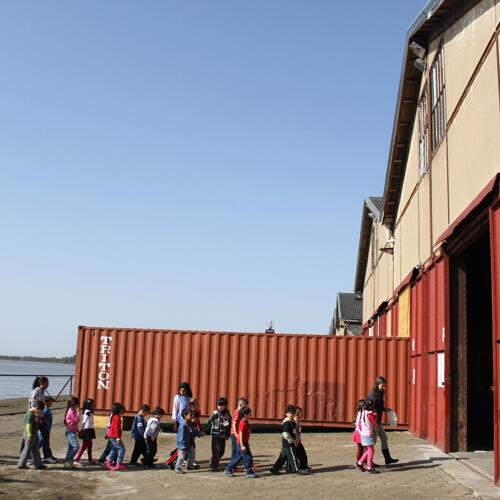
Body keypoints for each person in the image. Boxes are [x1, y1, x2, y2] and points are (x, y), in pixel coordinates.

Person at [366, 376, 398, 465]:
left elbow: (379, 406)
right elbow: (368, 408)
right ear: (377, 385)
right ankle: (366, 461)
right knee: (372, 441)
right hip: (374, 422)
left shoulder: (379, 394)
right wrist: (372, 422)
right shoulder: (373, 395)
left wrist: (385, 409)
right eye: (382, 386)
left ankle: (387, 459)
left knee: (384, 438)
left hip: (378, 421)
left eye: (384, 386)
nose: (384, 388)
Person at [270, 405, 303, 475]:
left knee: (283, 457)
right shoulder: (287, 422)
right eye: (289, 413)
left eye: (292, 413)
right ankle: (296, 469)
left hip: (288, 443)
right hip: (288, 443)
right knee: (293, 456)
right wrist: (292, 441)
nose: (291, 414)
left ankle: (275, 469)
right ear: (286, 414)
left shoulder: (292, 422)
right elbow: (285, 433)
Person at [225, 407, 256, 478]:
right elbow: (240, 435)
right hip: (241, 443)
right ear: (245, 415)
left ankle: (228, 469)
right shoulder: (242, 423)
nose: (250, 416)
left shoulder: (246, 422)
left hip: (244, 443)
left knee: (238, 458)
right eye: (249, 414)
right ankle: (249, 471)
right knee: (248, 457)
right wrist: (242, 445)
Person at [204, 397, 231, 471]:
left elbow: (229, 424)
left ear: (225, 405)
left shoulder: (227, 414)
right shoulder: (215, 413)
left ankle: (213, 460)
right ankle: (214, 466)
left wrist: (228, 434)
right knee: (216, 450)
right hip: (215, 435)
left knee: (222, 451)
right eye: (218, 405)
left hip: (223, 435)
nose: (219, 407)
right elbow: (209, 421)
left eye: (221, 405)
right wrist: (203, 429)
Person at [18, 401, 46, 469]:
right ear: (36, 408)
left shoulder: (33, 414)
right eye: (40, 410)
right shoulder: (30, 415)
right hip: (30, 434)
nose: (40, 412)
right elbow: (28, 426)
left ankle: (38, 464)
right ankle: (21, 464)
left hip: (34, 433)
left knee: (35, 449)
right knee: (27, 449)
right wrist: (29, 435)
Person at [355, 399, 379, 474]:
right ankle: (369, 467)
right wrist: (375, 414)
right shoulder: (369, 414)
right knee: (371, 450)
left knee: (368, 450)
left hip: (363, 434)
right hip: (368, 434)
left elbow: (358, 424)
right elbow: (374, 421)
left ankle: (359, 463)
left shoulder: (361, 413)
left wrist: (361, 432)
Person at [174, 408, 200, 474]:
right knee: (181, 457)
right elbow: (181, 436)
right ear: (185, 416)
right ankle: (178, 467)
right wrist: (183, 445)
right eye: (190, 415)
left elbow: (193, 432)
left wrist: (199, 434)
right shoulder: (183, 425)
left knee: (192, 454)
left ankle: (190, 465)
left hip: (190, 443)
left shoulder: (190, 424)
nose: (192, 417)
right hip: (183, 445)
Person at [74, 399, 96, 465]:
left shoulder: (90, 412)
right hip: (87, 430)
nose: (93, 405)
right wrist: (82, 430)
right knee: (85, 445)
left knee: (90, 445)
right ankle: (77, 459)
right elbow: (84, 421)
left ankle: (90, 459)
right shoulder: (87, 412)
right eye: (92, 404)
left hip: (90, 429)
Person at [106, 402, 127, 471]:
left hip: (111, 435)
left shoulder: (113, 416)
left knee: (114, 449)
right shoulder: (117, 418)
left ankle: (109, 463)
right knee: (121, 449)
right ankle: (119, 463)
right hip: (114, 436)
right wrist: (118, 438)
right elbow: (116, 429)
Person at [230, 398, 248, 466]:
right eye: (245, 406)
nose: (245, 408)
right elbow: (234, 425)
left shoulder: (239, 412)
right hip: (234, 434)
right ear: (240, 405)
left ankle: (236, 464)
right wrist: (236, 434)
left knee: (237, 450)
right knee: (235, 450)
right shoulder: (237, 413)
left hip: (236, 434)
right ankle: (232, 465)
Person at [64, 396, 81, 469]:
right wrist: (79, 413)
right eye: (76, 405)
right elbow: (76, 420)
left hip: (73, 431)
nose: (77, 407)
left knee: (71, 448)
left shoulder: (73, 411)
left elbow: (75, 424)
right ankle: (67, 461)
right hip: (70, 432)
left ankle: (69, 463)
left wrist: (77, 431)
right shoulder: (71, 411)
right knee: (75, 447)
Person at [39, 397, 57, 463]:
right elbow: (43, 419)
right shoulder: (45, 410)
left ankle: (49, 455)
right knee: (41, 442)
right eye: (50, 402)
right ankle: (47, 456)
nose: (51, 403)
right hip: (44, 430)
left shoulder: (47, 410)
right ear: (46, 402)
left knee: (45, 443)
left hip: (47, 429)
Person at [292, 406, 310, 472]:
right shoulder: (293, 422)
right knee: (297, 455)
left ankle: (304, 466)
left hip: (298, 441)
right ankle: (301, 468)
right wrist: (295, 441)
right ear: (296, 413)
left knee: (303, 454)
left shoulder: (298, 421)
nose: (301, 414)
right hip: (295, 442)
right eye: (300, 413)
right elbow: (293, 433)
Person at [352, 399, 365, 470]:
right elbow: (359, 425)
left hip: (358, 434)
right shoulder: (361, 414)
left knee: (360, 449)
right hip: (360, 434)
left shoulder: (360, 413)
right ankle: (360, 462)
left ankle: (359, 462)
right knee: (365, 449)